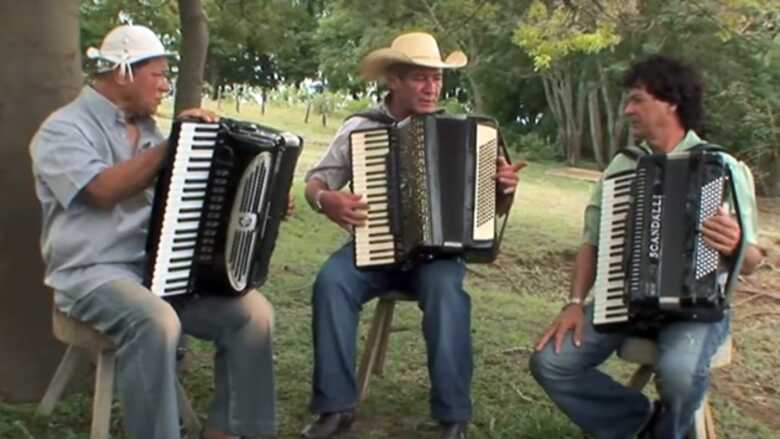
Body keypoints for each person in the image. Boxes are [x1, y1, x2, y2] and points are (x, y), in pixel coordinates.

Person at [30, 25, 276, 439]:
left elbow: (182, 202)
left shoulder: (148, 132)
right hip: (91, 275)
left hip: (156, 271)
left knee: (254, 315)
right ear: (123, 73)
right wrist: (174, 146)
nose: (165, 86)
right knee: (157, 320)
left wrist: (257, 199)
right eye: (158, 75)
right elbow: (102, 191)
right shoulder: (62, 130)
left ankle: (229, 432)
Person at [300, 32, 525, 439]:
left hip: (437, 257)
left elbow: (489, 213)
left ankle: (453, 417)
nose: (431, 88)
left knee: (447, 294)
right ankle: (335, 408)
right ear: (393, 81)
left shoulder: (468, 134)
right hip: (374, 248)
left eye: (437, 79)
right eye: (420, 78)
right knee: (331, 283)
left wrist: (502, 189)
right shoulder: (362, 126)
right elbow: (316, 180)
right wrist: (325, 199)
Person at [529, 55, 763, 439]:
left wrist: (737, 244)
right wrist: (573, 303)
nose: (627, 110)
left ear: (670, 102)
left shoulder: (719, 166)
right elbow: (591, 242)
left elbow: (752, 262)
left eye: (637, 99)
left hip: (697, 309)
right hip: (622, 302)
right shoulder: (622, 168)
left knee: (679, 373)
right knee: (550, 362)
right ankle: (647, 425)